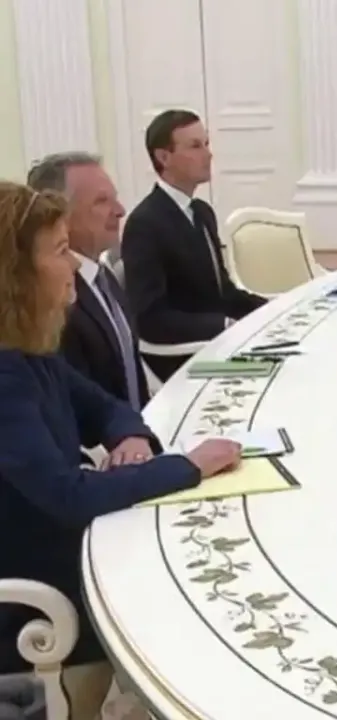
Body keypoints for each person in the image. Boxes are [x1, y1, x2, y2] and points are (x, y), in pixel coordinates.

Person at [0, 182, 242, 719]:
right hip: (35, 601)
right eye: (60, 251)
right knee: (193, 600)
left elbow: (103, 405)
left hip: (66, 552)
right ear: (14, 274)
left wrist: (129, 436)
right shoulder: (5, 374)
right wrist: (187, 466)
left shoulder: (28, 347)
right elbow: (66, 495)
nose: (73, 265)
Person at [120, 109, 266, 380]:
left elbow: (223, 292)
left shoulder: (202, 212)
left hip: (218, 344)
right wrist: (223, 325)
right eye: (195, 146)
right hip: (185, 360)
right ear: (163, 157)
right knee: (275, 373)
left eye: (206, 144)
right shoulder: (144, 224)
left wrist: (272, 309)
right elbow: (150, 318)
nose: (208, 154)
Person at [27, 152, 150, 410]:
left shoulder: (104, 277)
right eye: (101, 201)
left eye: (114, 198)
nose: (120, 211)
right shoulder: (54, 297)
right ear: (60, 215)